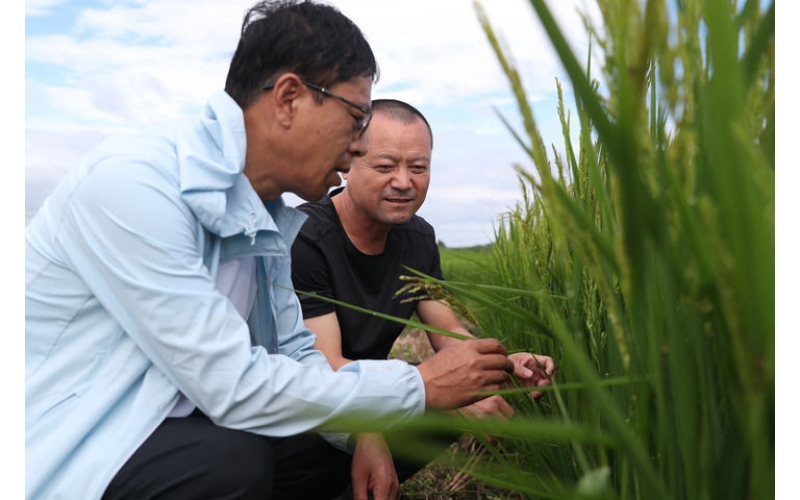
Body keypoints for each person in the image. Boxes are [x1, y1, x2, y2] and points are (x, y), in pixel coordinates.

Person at [24, 2, 520, 499]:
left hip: (180, 425)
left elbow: (299, 356)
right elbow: (232, 384)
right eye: (355, 120)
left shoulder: (267, 218)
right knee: (227, 462)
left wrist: (369, 423)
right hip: (72, 443)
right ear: (288, 98)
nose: (356, 150)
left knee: (303, 440)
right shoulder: (139, 185)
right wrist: (417, 387)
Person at [291, 98, 557, 499]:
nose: (404, 181)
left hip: (371, 397)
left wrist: (497, 367)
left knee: (462, 385)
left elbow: (446, 327)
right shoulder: (308, 238)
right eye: (385, 166)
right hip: (304, 409)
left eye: (418, 167)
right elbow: (324, 368)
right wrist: (369, 428)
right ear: (348, 163)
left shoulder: (417, 238)